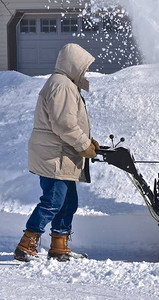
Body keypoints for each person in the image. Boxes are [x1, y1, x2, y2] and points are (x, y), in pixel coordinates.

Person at [14, 43, 99, 262]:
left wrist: (88, 141)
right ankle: (26, 245)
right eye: (85, 66)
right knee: (52, 201)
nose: (86, 71)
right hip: (54, 156)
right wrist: (83, 145)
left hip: (61, 155)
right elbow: (64, 125)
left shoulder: (66, 84)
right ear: (74, 64)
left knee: (68, 203)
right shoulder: (61, 85)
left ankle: (59, 247)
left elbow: (69, 123)